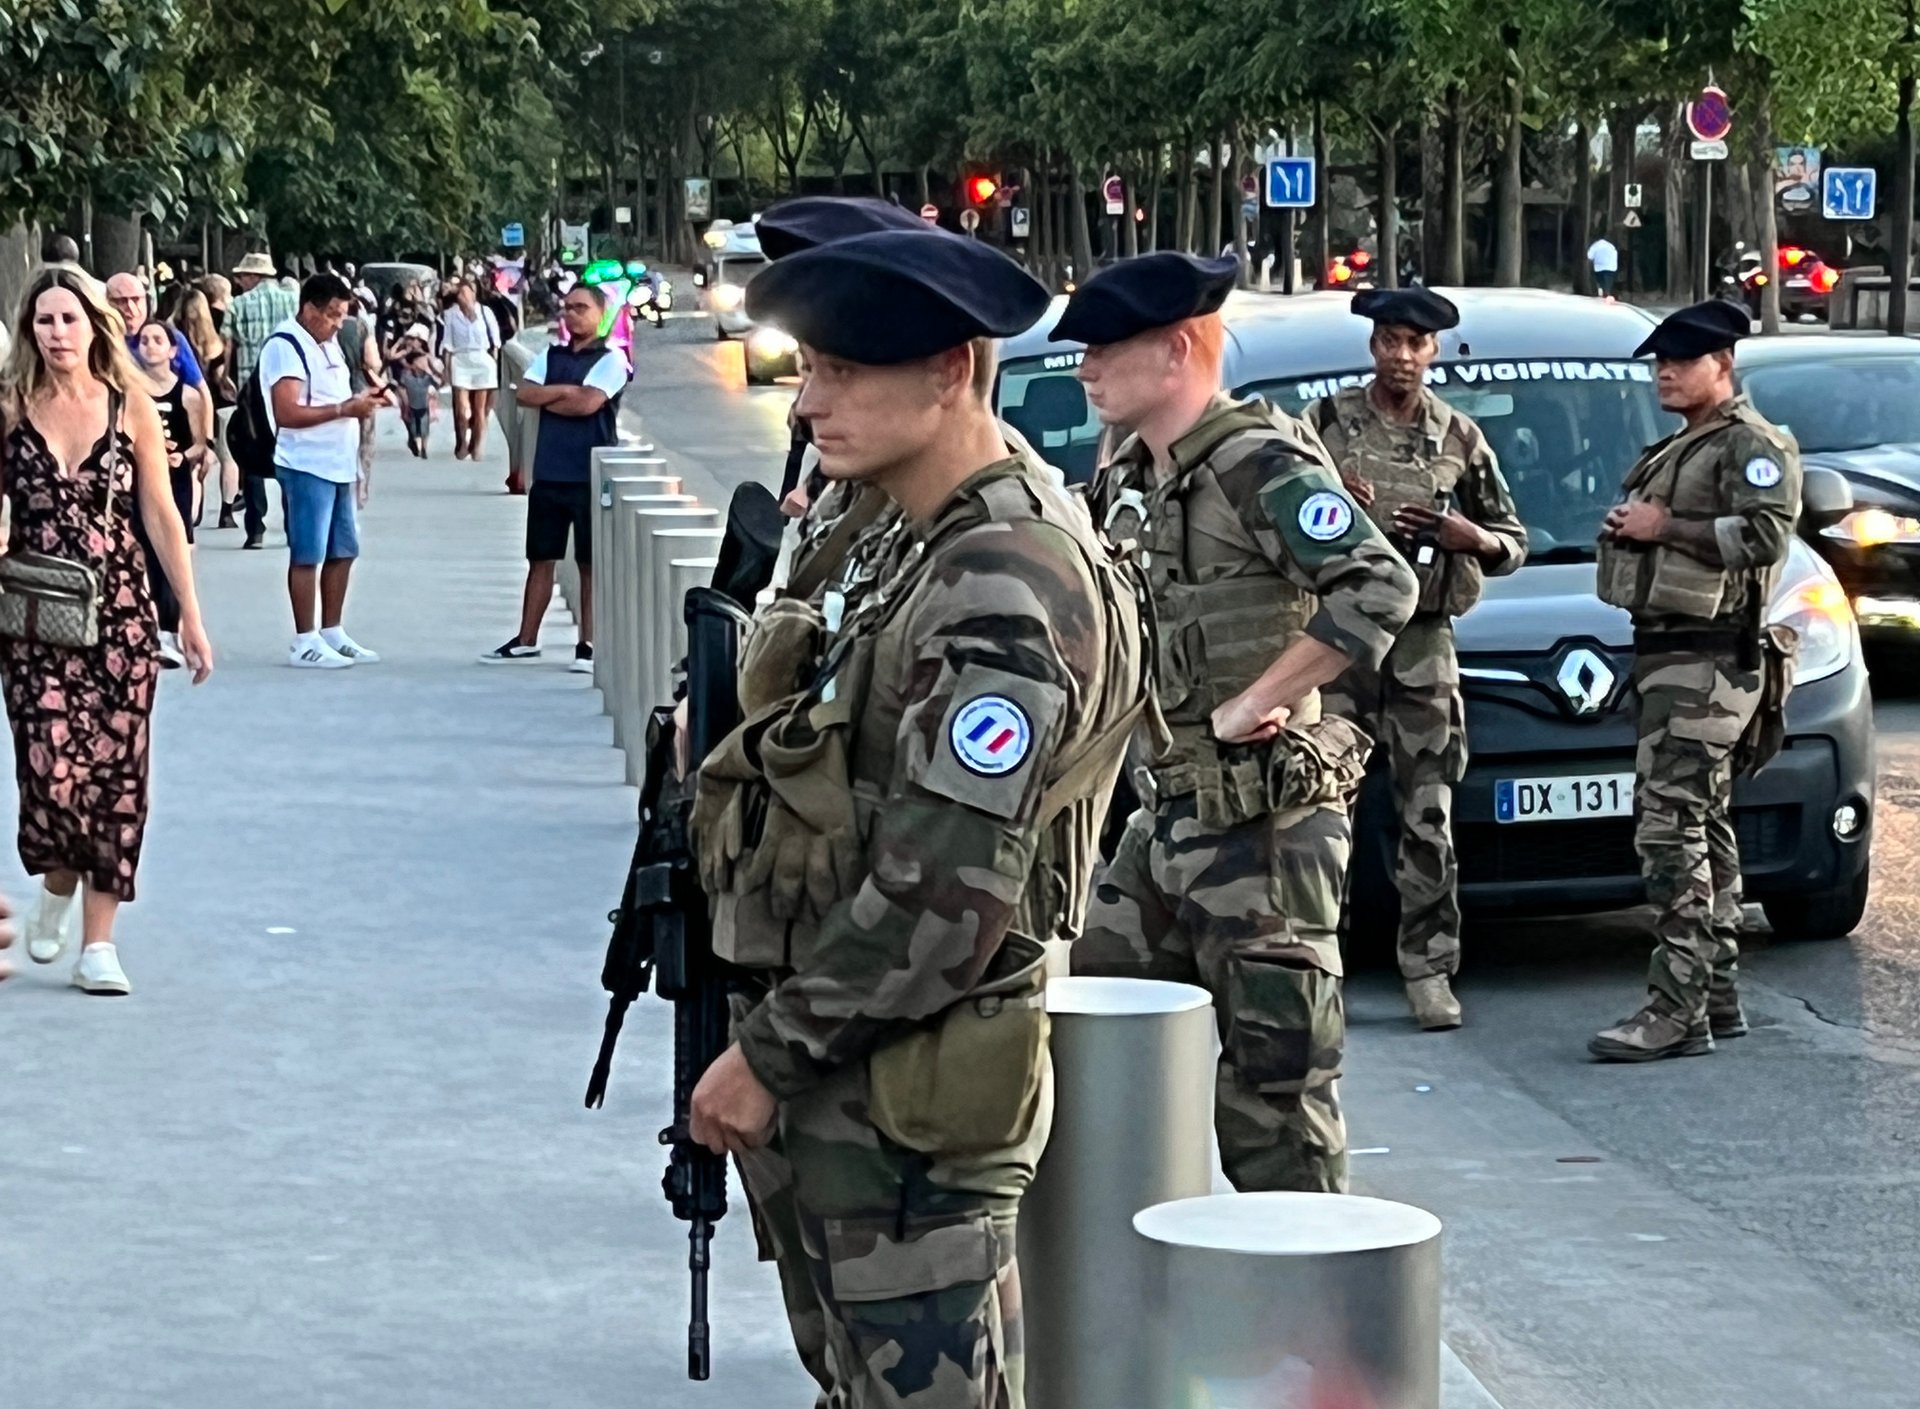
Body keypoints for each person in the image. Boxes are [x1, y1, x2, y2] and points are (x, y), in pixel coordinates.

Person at [688, 227, 1141, 1409]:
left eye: (844, 371)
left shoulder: (1000, 580)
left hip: (906, 1104)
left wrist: (768, 1056)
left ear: (949, 372)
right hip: (864, 1079)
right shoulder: (925, 539)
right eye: (811, 368)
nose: (810, 401)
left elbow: (949, 894)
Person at [1063, 251, 1419, 1195]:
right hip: (1165, 819)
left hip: (1264, 831)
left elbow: (1380, 583)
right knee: (1089, 1034)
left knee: (1276, 1105)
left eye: (1105, 348)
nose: (1085, 368)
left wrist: (1260, 697)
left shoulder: (1256, 461)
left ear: (1177, 349)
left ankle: (1307, 1288)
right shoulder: (1136, 468)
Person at [1305, 289, 1528, 1030]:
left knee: (1427, 813)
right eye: (1389, 340)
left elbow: (1512, 541)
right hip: (1337, 640)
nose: (1401, 356)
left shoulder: (1459, 436)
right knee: (1320, 808)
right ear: (1372, 345)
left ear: (1434, 351)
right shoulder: (1322, 424)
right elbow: (1265, 513)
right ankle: (1318, 966)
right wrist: (1328, 499)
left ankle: (1429, 969)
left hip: (1423, 644)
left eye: (1415, 343)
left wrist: (1472, 538)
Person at [1589, 300, 1802, 1061]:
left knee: (1669, 831)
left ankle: (1675, 1010)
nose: (1665, 374)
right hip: (1672, 658)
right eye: (1660, 362)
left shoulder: (1751, 444)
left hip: (1707, 662)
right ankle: (1714, 994)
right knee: (1702, 825)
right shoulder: (1687, 444)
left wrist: (1662, 528)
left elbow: (1765, 534)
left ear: (1724, 364)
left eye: (1682, 361)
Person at [0, 265, 214, 996]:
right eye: (44, 320)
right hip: (33, 617)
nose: (57, 333)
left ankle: (99, 944)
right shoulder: (10, 405)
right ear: (29, 330)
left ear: (96, 325)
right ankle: (58, 878)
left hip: (120, 615)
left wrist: (189, 613)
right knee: (50, 771)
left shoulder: (131, 406)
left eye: (69, 319)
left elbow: (161, 513)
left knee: (119, 778)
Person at [478, 283, 623, 672]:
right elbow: (525, 394)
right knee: (541, 558)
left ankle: (588, 643)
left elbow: (589, 404)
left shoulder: (611, 360)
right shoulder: (550, 355)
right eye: (567, 308)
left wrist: (555, 397)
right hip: (549, 472)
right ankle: (526, 639)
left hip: (589, 474)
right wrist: (568, 391)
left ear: (600, 314)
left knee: (589, 563)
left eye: (581, 308)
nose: (571, 314)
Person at [261, 273, 387, 668]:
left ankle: (332, 630)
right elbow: (287, 412)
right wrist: (343, 409)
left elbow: (334, 396)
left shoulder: (327, 343)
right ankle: (305, 639)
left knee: (343, 549)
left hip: (338, 462)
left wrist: (359, 401)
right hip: (305, 463)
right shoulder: (286, 346)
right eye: (331, 314)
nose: (336, 323)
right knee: (307, 553)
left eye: (342, 315)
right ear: (309, 308)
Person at [131, 318, 209, 667]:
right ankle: (145, 626)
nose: (150, 346)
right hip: (139, 480)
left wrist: (183, 456)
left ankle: (169, 631)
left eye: (157, 340)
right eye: (144, 340)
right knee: (143, 552)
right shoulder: (130, 394)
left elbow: (199, 444)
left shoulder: (188, 395)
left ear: (172, 350)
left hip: (175, 480)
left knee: (172, 552)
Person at [227, 251, 298, 548]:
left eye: (243, 277)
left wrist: (224, 377)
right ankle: (294, 526)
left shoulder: (237, 305)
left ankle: (255, 528)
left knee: (252, 453)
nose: (240, 282)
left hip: (250, 388)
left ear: (255, 277)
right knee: (288, 453)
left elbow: (228, 345)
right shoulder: (293, 301)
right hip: (288, 382)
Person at [194, 274, 242, 527]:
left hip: (194, 397)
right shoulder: (227, 320)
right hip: (223, 396)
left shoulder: (189, 319)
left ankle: (196, 505)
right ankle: (227, 511)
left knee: (196, 452)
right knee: (228, 456)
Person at [439, 277, 501, 459]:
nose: (464, 296)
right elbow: (447, 343)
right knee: (461, 409)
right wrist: (446, 369)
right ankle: (462, 443)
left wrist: (494, 364)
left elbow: (495, 341)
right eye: (462, 293)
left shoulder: (485, 312)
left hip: (482, 360)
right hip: (460, 360)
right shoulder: (451, 315)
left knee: (480, 409)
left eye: (468, 292)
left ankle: (477, 445)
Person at [334, 290, 383, 494]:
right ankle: (360, 487)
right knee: (365, 441)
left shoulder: (328, 326)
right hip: (361, 387)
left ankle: (341, 484)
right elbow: (373, 361)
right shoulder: (362, 327)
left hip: (336, 388)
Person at [395, 346, 440, 458]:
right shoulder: (406, 375)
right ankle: (416, 444)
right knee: (414, 428)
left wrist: (433, 370)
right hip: (411, 405)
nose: (424, 364)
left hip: (424, 405)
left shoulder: (428, 376)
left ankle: (424, 448)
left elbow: (440, 382)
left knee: (424, 427)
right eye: (421, 361)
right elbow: (401, 388)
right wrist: (405, 402)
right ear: (414, 363)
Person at [1588, 234, 1621, 298]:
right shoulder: (1611, 246)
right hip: (1611, 267)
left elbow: (1589, 256)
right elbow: (1615, 254)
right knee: (1608, 282)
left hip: (1599, 268)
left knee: (1601, 282)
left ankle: (1602, 292)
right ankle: (1607, 293)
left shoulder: (1595, 246)